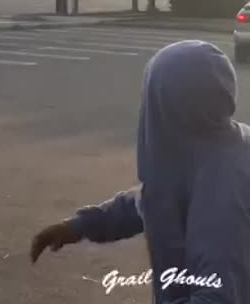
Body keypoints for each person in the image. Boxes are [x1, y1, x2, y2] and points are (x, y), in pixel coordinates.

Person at [30, 40, 250, 303]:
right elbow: (153, 200)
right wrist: (81, 225)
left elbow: (220, 295)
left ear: (168, 107)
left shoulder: (220, 192)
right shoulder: (206, 149)